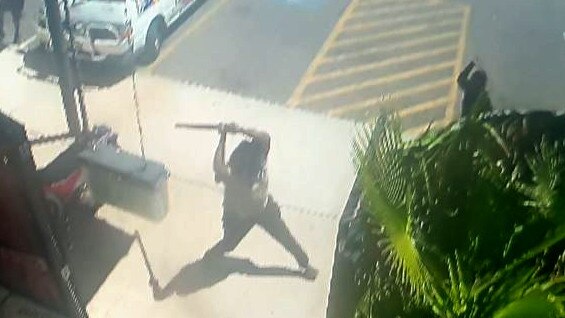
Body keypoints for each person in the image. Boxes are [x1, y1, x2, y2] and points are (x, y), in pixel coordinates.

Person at [204, 122, 318, 280]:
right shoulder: (233, 177)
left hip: (263, 208)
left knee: (285, 236)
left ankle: (304, 263)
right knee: (230, 242)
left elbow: (264, 137)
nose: (253, 177)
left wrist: (239, 129)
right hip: (241, 215)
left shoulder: (259, 154)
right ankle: (211, 255)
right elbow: (218, 167)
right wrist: (222, 138)